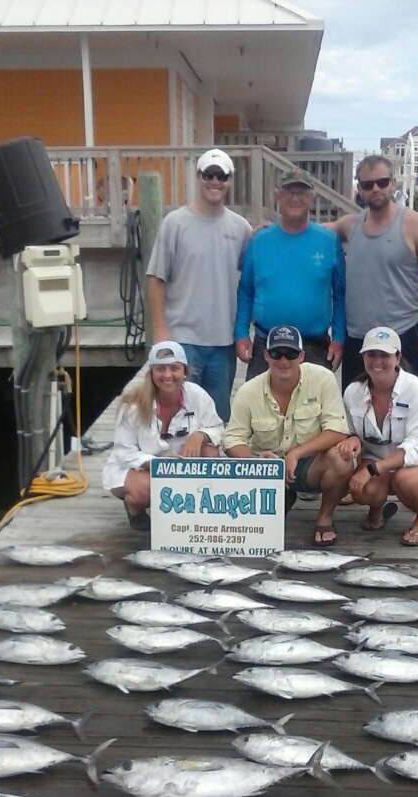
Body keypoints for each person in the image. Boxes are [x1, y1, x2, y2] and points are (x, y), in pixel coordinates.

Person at [223, 325, 353, 547]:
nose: (283, 360)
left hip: (309, 465)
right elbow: (232, 440)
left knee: (342, 459)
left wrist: (296, 453)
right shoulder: (247, 391)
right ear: (265, 356)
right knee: (256, 537)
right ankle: (282, 497)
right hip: (267, 469)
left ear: (301, 355)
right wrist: (256, 462)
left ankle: (324, 518)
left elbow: (338, 429)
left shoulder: (323, 378)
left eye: (291, 353)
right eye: (276, 353)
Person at [147, 148, 252, 422]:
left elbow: (252, 280)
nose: (215, 181)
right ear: (198, 177)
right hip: (182, 340)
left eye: (221, 176)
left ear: (229, 180)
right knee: (179, 414)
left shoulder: (241, 228)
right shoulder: (174, 223)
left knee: (217, 418)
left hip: (224, 342)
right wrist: (160, 327)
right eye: (209, 174)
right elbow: (156, 278)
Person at [325, 155, 418, 393]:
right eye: (367, 185)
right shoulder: (350, 226)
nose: (375, 189)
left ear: (393, 182)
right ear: (359, 189)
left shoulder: (416, 224)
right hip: (358, 337)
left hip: (402, 333)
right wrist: (272, 229)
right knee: (356, 407)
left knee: (407, 405)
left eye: (381, 182)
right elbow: (309, 231)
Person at [335, 327, 418, 547]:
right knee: (363, 490)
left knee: (406, 480)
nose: (377, 361)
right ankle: (376, 509)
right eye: (371, 354)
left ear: (398, 357)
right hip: (377, 459)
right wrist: (351, 438)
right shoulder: (352, 391)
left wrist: (372, 470)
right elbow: (349, 430)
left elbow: (417, 448)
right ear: (362, 358)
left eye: (384, 355)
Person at [234, 167, 346, 380]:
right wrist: (241, 334)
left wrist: (338, 338)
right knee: (260, 410)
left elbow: (340, 295)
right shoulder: (259, 241)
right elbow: (245, 290)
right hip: (267, 346)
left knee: (314, 412)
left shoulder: (328, 241)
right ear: (278, 196)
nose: (295, 198)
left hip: (313, 346)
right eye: (289, 192)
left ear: (311, 198)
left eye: (301, 192)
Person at [102, 342, 223, 532]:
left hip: (182, 465)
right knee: (142, 491)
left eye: (174, 368)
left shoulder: (198, 395)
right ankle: (135, 509)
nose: (167, 375)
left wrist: (200, 435)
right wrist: (157, 464)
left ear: (184, 371)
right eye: (160, 369)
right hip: (142, 468)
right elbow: (124, 452)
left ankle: (189, 511)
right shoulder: (132, 404)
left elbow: (217, 428)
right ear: (151, 373)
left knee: (210, 451)